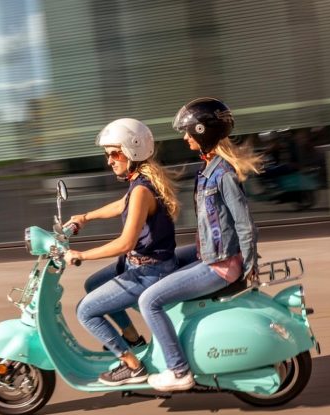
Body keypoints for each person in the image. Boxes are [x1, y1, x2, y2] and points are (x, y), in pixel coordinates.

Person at [139, 97, 262, 392]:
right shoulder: (209, 170)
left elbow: (244, 224)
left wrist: (250, 266)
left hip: (220, 265)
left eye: (188, 132)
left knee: (148, 301)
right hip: (210, 255)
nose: (185, 138)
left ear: (202, 131)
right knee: (163, 264)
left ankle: (179, 370)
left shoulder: (223, 175)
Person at [64, 118, 180, 386]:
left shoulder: (141, 190)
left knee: (85, 311)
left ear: (133, 150)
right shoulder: (141, 181)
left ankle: (132, 366)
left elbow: (125, 243)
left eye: (114, 154)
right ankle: (131, 338)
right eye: (108, 155)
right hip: (143, 265)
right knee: (93, 284)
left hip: (150, 271)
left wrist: (81, 255)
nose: (109, 161)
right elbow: (122, 205)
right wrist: (85, 217)